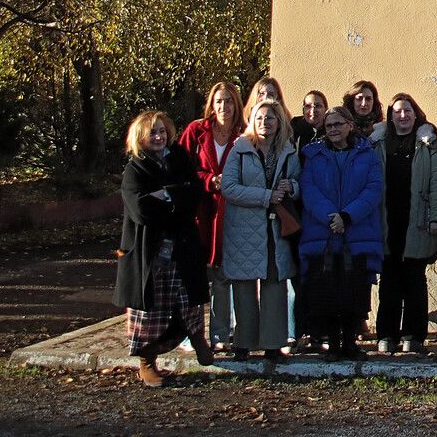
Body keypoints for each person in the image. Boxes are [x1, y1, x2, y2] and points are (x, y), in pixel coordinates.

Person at [114, 110, 213, 387]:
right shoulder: (135, 170)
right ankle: (147, 362)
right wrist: (175, 199)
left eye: (161, 131)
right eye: (152, 133)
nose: (158, 137)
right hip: (149, 251)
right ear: (140, 137)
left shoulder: (180, 158)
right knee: (150, 309)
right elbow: (141, 210)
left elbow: (194, 194)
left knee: (188, 298)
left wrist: (166, 194)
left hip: (182, 245)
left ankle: (197, 337)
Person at [221, 85, 300, 361]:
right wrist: (266, 196)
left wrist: (292, 187)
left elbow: (299, 185)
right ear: (251, 121)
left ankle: (273, 343)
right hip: (243, 228)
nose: (265, 123)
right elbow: (229, 188)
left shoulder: (287, 151)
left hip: (275, 229)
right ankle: (242, 344)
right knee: (243, 286)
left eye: (270, 118)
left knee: (274, 284)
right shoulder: (239, 150)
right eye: (259, 118)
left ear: (279, 122)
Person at [298, 106, 383, 359]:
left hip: (356, 233)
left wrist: (347, 216)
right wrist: (331, 217)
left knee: (353, 291)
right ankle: (332, 344)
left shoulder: (367, 154)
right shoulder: (313, 155)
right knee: (326, 292)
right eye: (329, 126)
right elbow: (309, 188)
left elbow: (373, 188)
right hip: (322, 234)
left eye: (338, 124)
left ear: (349, 125)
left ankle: (350, 342)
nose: (333, 129)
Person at [372, 93, 437, 354]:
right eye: (397, 112)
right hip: (387, 222)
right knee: (389, 281)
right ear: (390, 117)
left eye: (407, 111)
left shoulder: (428, 144)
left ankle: (414, 335)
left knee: (415, 281)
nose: (402, 116)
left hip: (418, 221)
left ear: (416, 114)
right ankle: (386, 334)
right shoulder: (379, 145)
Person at [177, 81, 242, 352]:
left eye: (228, 101)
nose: (223, 106)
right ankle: (188, 333)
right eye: (219, 101)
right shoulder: (197, 131)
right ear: (211, 105)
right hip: (199, 213)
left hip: (230, 214)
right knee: (193, 275)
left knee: (223, 275)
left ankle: (219, 335)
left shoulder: (243, 135)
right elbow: (181, 168)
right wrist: (208, 180)